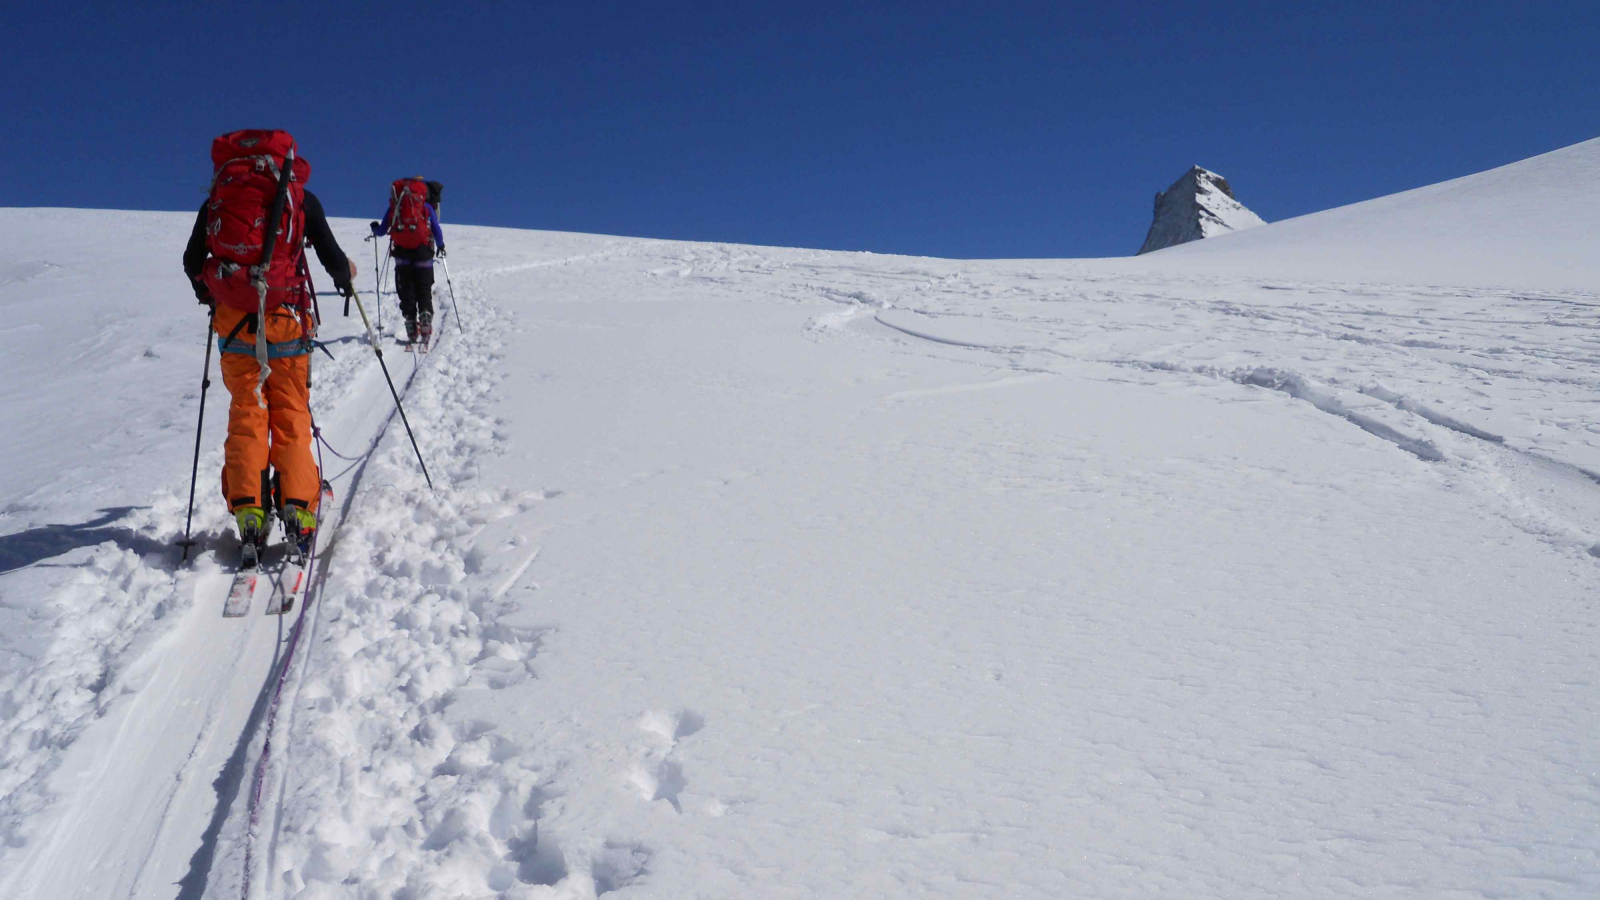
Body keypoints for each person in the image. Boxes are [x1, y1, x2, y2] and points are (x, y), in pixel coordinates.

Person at [182, 129, 356, 550]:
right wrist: (345, 276)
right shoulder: (300, 198)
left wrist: (214, 297)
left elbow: (191, 262)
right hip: (287, 321)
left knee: (247, 413)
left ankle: (250, 512)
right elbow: (333, 258)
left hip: (236, 327)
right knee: (291, 415)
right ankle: (298, 507)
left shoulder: (218, 201)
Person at [370, 177, 446, 345]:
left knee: (407, 290)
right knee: (424, 288)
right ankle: (425, 316)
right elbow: (436, 229)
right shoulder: (426, 207)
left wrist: (374, 229)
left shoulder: (395, 207)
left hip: (402, 254)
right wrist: (441, 245)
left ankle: (411, 324)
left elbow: (382, 230)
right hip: (423, 252)